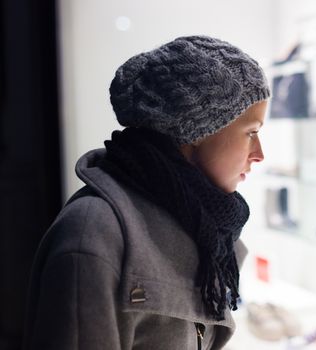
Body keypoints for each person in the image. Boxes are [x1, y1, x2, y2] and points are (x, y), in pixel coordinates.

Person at [23, 35, 271, 349]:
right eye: (251, 133)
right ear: (196, 129)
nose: (260, 153)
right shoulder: (94, 233)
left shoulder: (202, 228)